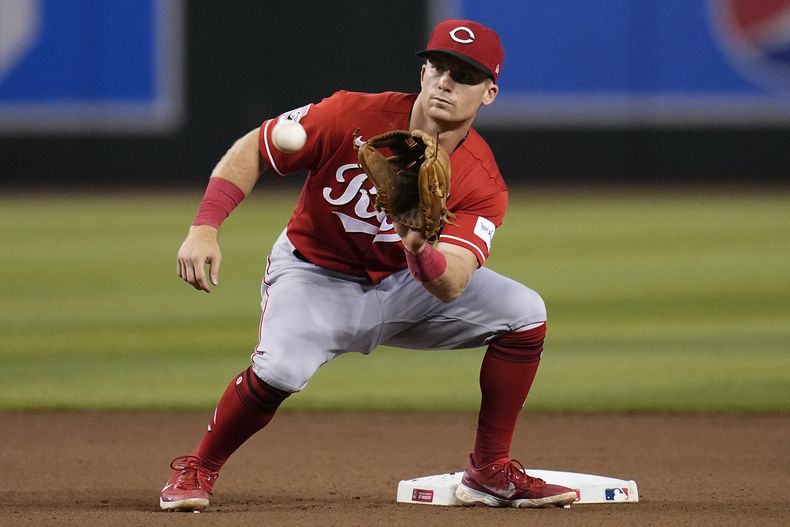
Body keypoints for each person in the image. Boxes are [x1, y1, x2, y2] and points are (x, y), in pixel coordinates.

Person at [160, 19, 577, 511]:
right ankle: (199, 467)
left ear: (488, 93)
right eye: (438, 67)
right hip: (315, 273)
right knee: (281, 371)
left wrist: (420, 250)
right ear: (422, 73)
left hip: (407, 283)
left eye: (464, 76)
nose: (446, 82)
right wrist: (206, 226)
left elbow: (454, 283)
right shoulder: (351, 114)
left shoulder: (482, 179)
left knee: (525, 312)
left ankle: (488, 471)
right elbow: (256, 146)